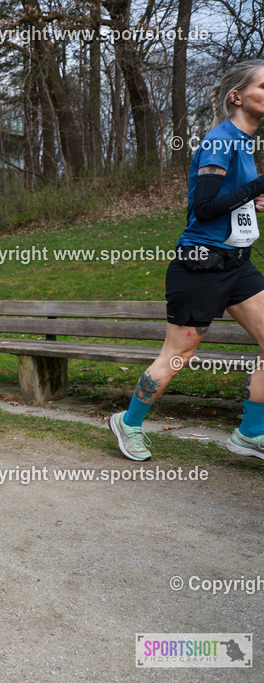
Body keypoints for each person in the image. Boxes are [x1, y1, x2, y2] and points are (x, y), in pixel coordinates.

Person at [111, 59, 264, 461]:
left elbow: (232, 198)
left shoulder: (244, 143)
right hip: (201, 264)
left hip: (237, 264)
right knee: (178, 355)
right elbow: (205, 206)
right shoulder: (221, 140)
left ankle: (250, 433)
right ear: (237, 97)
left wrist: (253, 197)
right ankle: (128, 422)